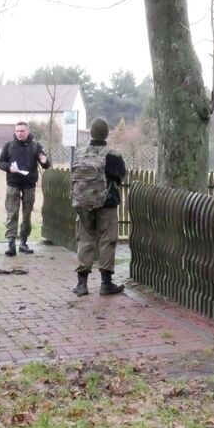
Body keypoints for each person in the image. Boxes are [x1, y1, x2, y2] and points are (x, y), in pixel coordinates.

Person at [72, 118, 127, 297]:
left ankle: (81, 284)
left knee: (84, 239)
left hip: (84, 203)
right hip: (107, 203)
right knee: (107, 240)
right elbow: (121, 176)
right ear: (106, 133)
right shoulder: (113, 155)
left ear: (91, 133)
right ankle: (106, 283)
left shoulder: (80, 153)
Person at [0, 121, 51, 256]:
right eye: (17, 131)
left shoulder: (35, 146)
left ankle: (23, 243)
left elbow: (45, 163)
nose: (19, 133)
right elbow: (0, 162)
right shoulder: (9, 146)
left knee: (27, 215)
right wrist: (8, 167)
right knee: (12, 214)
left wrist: (45, 161)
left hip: (29, 186)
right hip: (13, 184)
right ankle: (11, 244)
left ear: (28, 132)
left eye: (22, 131)